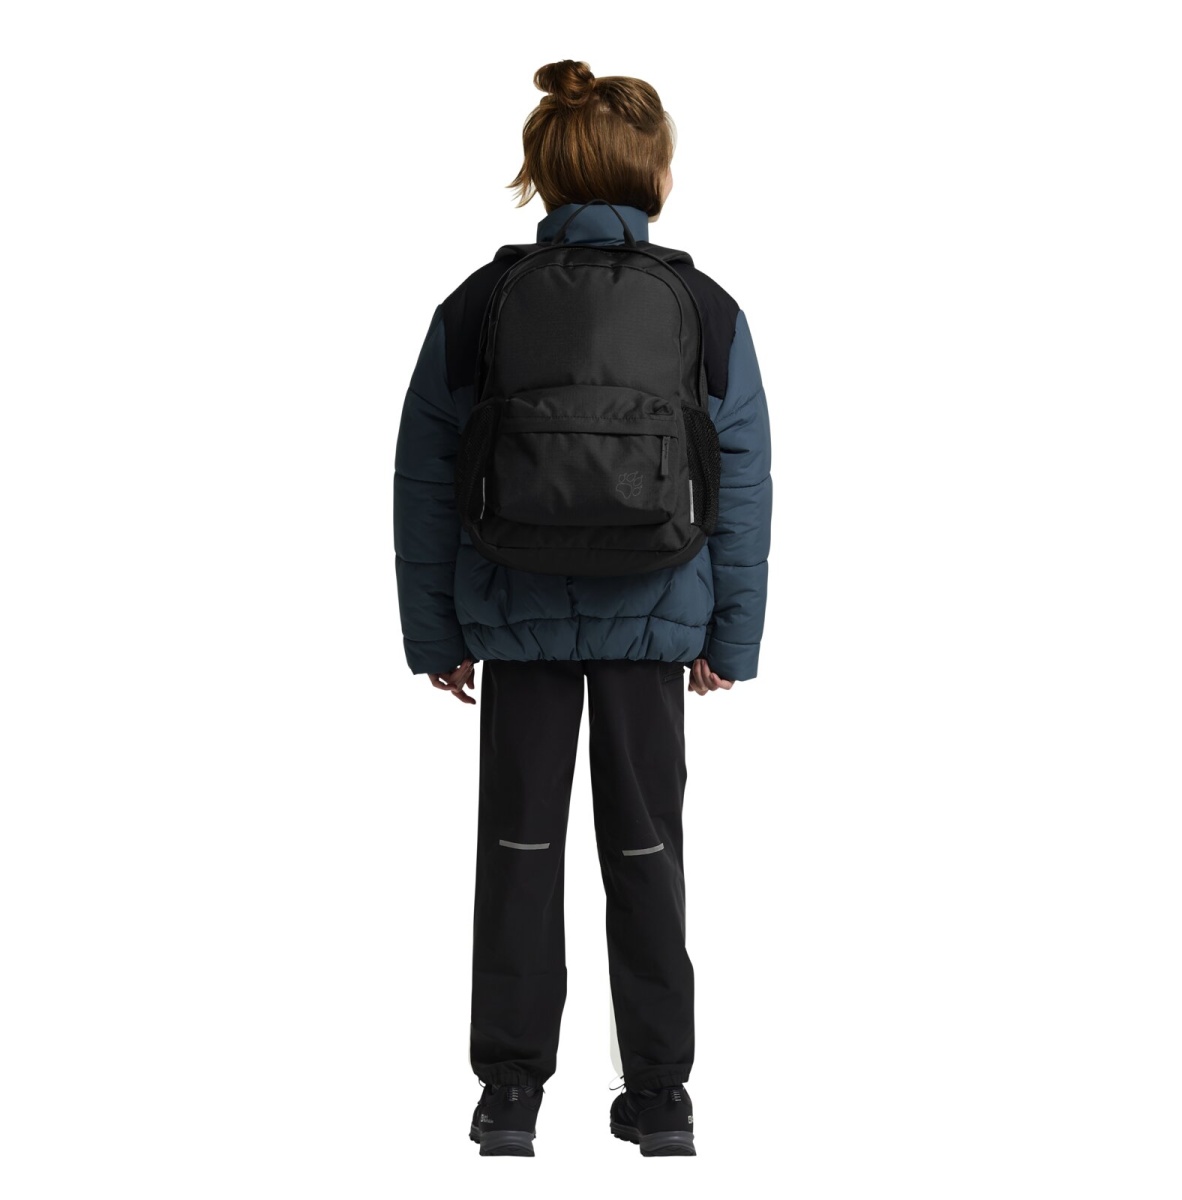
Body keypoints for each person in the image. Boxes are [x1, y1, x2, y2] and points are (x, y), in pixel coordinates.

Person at [392, 59, 771, 1157]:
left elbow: (424, 477)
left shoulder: (480, 304)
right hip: (656, 616)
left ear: (546, 172)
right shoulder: (704, 307)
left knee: (519, 850)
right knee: (647, 851)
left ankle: (509, 1097)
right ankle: (661, 1098)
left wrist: (436, 631)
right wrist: (731, 636)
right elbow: (743, 479)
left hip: (516, 618)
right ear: (652, 175)